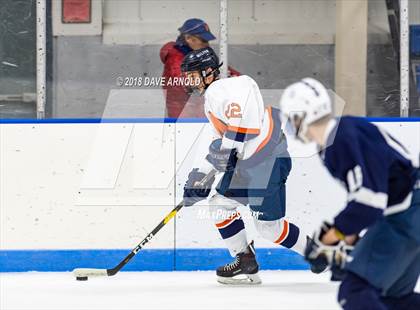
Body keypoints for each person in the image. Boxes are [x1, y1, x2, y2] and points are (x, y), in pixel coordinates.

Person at [181, 47, 324, 285]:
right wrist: (199, 177)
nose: (190, 81)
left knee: (269, 228)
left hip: (266, 161)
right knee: (220, 204)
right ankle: (244, 259)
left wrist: (224, 152)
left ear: (208, 72)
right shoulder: (214, 100)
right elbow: (217, 142)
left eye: (193, 75)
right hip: (251, 163)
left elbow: (243, 129)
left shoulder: (227, 88)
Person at [280, 78, 420, 309]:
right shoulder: (340, 135)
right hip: (409, 210)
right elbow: (371, 197)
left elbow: (370, 202)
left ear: (301, 115)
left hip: (406, 212)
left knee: (355, 292)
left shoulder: (340, 137)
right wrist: (345, 235)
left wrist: (333, 236)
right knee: (394, 298)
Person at [160, 18, 240, 118]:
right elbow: (188, 83)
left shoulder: (199, 54)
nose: (207, 44)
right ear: (189, 38)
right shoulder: (175, 57)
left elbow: (222, 70)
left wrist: (240, 80)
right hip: (182, 121)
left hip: (201, 117)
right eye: (203, 40)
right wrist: (217, 78)